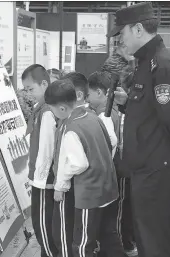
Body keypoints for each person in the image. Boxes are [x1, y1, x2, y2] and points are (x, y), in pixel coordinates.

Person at [107, 3, 170, 256]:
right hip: (147, 167)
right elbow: (152, 111)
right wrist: (127, 105)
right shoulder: (146, 62)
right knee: (147, 237)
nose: (119, 41)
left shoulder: (161, 64)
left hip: (158, 168)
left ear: (137, 29)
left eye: (121, 34)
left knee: (155, 241)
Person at [44, 79, 126, 257]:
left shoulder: (71, 129)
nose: (53, 113)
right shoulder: (93, 117)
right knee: (108, 236)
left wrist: (60, 187)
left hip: (90, 195)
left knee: (82, 244)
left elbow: (78, 163)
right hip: (108, 189)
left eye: (52, 109)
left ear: (62, 109)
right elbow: (111, 141)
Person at [87, 71, 136, 256]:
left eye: (89, 94)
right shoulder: (112, 110)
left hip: (113, 175)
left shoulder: (104, 117)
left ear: (100, 93)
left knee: (111, 225)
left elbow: (108, 144)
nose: (88, 99)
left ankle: (122, 249)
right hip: (114, 175)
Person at [22, 64, 58, 257]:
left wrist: (40, 179)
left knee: (43, 229)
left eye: (31, 89)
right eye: (25, 90)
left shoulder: (47, 112)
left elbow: (47, 150)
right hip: (42, 179)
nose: (28, 94)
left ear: (44, 84)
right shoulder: (42, 109)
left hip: (45, 181)